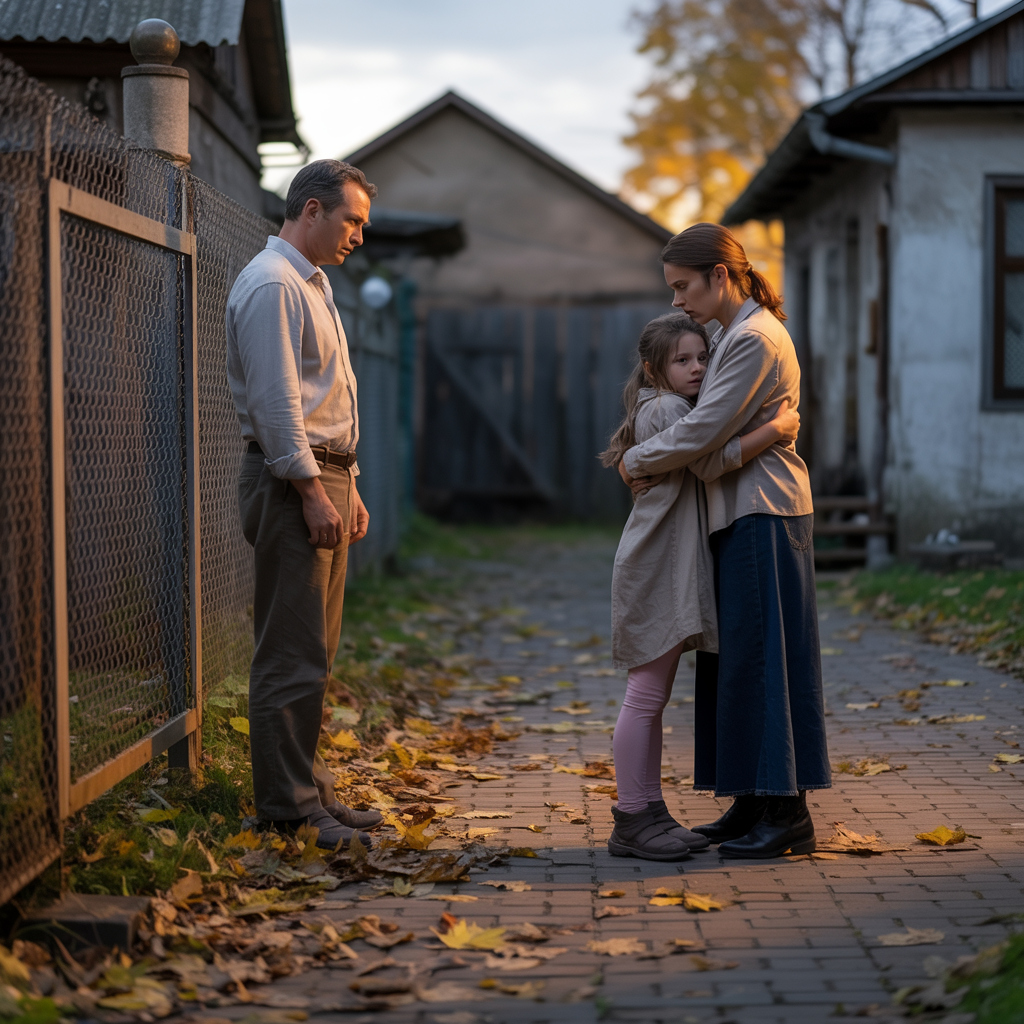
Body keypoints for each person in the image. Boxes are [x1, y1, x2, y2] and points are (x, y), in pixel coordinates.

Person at [618, 223, 830, 859]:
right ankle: (751, 800)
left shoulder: (753, 339)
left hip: (763, 510)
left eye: (683, 286)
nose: (678, 300)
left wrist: (635, 460)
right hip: (736, 513)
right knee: (738, 663)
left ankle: (786, 814)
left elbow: (704, 440)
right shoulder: (725, 336)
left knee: (765, 661)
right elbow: (708, 447)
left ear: (720, 275)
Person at [601, 311, 801, 861]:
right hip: (656, 565)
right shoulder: (667, 408)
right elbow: (712, 458)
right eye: (682, 360)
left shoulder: (669, 406)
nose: (696, 368)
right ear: (652, 369)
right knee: (644, 696)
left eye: (702, 357)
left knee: (653, 694)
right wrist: (778, 430)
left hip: (668, 562)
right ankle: (633, 816)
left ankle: (649, 811)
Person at [226, 160, 383, 850]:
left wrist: (351, 485)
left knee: (314, 652)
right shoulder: (272, 285)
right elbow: (277, 404)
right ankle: (286, 807)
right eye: (352, 220)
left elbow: (324, 400)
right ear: (311, 209)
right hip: (298, 484)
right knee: (290, 652)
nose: (358, 236)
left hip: (327, 478)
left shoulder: (310, 285)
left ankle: (310, 791)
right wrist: (314, 490)